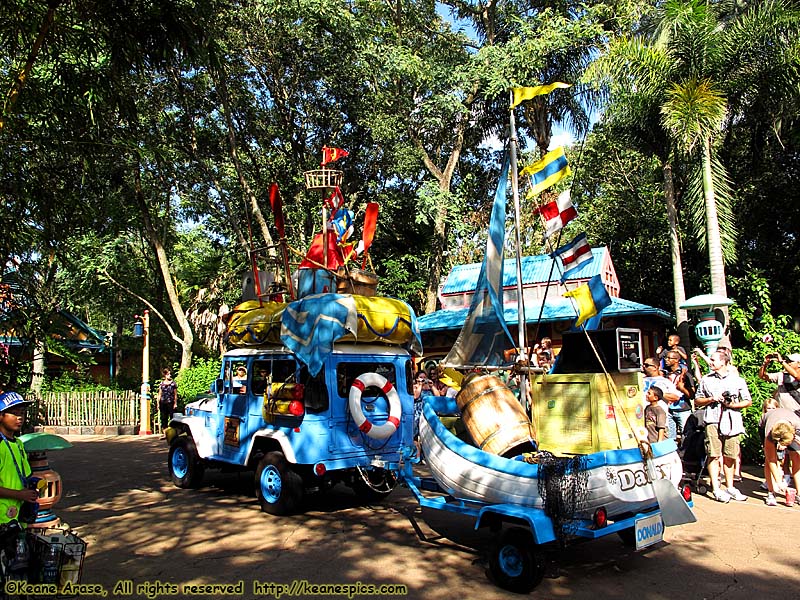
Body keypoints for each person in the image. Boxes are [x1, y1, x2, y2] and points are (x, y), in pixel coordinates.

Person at [694, 350, 752, 503]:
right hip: (712, 420)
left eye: (713, 360)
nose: (710, 362)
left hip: (732, 421)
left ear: (723, 362)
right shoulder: (706, 379)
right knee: (713, 454)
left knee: (730, 455)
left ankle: (730, 486)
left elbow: (747, 401)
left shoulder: (737, 380)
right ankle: (716, 488)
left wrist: (733, 405)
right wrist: (711, 399)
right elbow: (697, 400)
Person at [0, 391, 38, 526]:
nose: (20, 417)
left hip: (18, 518)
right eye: (14, 413)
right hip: (2, 521)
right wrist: (19, 495)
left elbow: (25, 475)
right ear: (1, 416)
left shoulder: (18, 443)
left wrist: (35, 484)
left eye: (22, 413)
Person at [760, 406, 800, 506]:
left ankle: (799, 493)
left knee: (796, 457)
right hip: (766, 424)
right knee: (768, 460)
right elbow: (772, 460)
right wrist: (779, 482)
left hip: (790, 425)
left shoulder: (798, 425)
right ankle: (771, 492)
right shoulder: (769, 432)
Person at [663, 350, 695, 440]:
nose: (666, 360)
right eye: (666, 357)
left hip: (683, 409)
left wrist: (682, 388)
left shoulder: (685, 375)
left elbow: (692, 395)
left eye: (669, 358)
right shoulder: (665, 374)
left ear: (676, 360)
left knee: (687, 437)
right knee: (670, 437)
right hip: (668, 410)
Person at [641, 358, 679, 425]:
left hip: (658, 419)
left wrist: (658, 394)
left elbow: (676, 397)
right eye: (643, 364)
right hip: (641, 417)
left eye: (646, 365)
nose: (644, 366)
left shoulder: (665, 381)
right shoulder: (640, 380)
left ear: (655, 367)